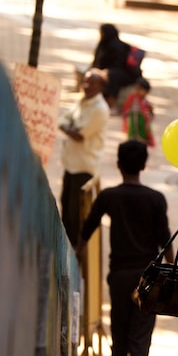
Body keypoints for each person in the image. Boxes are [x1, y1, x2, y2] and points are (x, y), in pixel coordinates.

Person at [77, 140, 174, 356]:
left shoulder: (108, 196)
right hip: (147, 280)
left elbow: (87, 229)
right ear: (144, 165)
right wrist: (172, 272)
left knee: (119, 338)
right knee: (140, 339)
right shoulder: (156, 199)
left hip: (119, 277)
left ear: (118, 165)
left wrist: (77, 256)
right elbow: (164, 238)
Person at [59, 68, 110, 248]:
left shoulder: (100, 109)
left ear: (101, 86)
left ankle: (75, 254)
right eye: (85, 82)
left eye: (92, 83)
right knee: (66, 210)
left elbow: (80, 134)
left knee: (76, 216)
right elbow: (63, 119)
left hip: (84, 168)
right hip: (71, 164)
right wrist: (68, 127)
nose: (87, 86)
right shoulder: (83, 101)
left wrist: (67, 128)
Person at [91, 23, 142, 111]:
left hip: (126, 74)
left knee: (112, 76)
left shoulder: (119, 47)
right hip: (109, 71)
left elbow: (118, 65)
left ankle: (111, 104)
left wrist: (105, 71)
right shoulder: (103, 44)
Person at [121, 77, 155, 147]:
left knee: (141, 137)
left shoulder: (146, 102)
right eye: (136, 88)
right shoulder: (132, 98)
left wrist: (148, 120)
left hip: (141, 122)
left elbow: (151, 112)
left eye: (140, 89)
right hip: (133, 120)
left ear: (146, 91)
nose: (137, 91)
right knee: (132, 135)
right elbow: (126, 108)